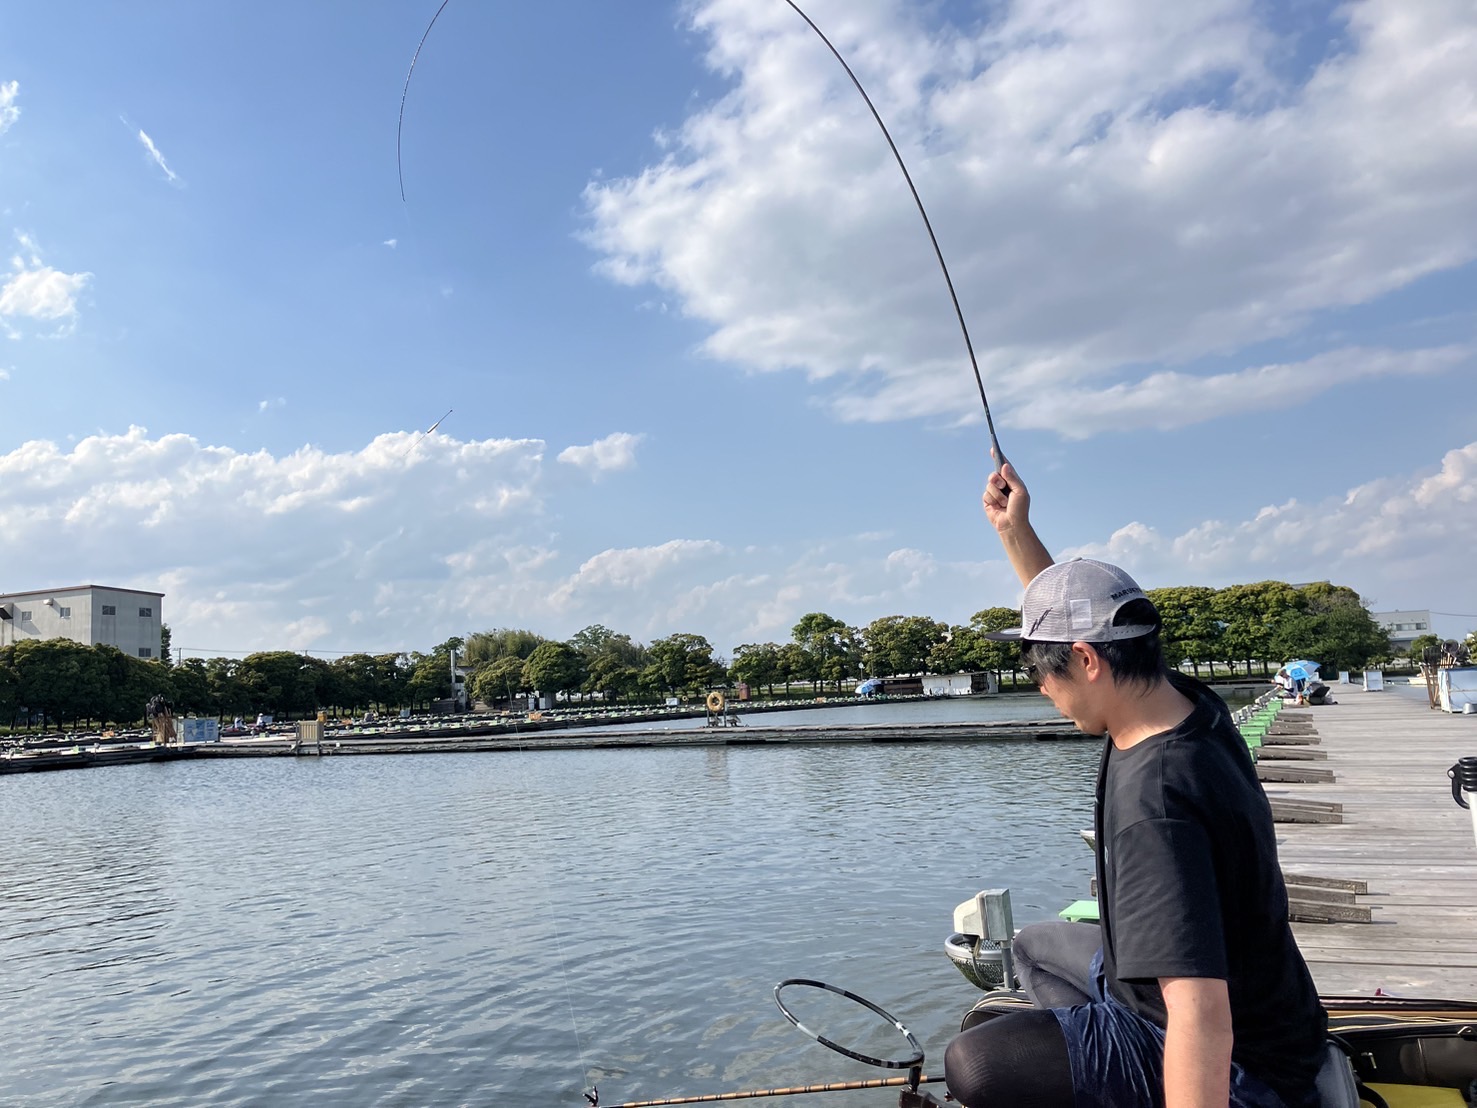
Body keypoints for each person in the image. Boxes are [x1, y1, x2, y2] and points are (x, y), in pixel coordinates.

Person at [943, 461, 1327, 1108]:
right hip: (1273, 1008)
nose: (1041, 689)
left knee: (975, 1064)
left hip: (1244, 1067)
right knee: (1035, 948)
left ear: (1087, 660)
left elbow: (1197, 1010)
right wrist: (1014, 532)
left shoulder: (1154, 806)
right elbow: (1070, 609)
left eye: (1043, 672)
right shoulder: (1186, 706)